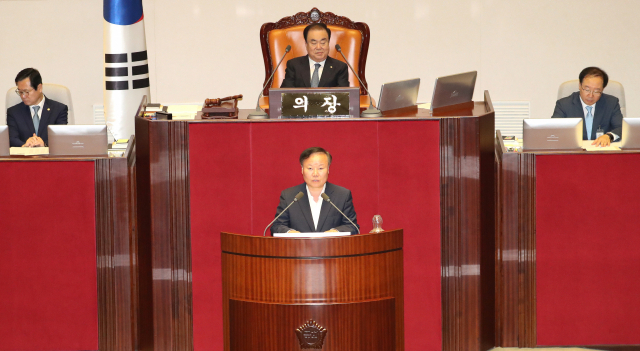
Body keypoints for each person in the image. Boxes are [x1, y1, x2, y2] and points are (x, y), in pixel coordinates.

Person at [271, 147, 359, 235]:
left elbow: (352, 226)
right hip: (298, 248)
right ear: (302, 169)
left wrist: (334, 233)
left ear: (328, 169)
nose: (315, 174)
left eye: (320, 168)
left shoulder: (342, 195)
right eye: (310, 168)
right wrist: (292, 234)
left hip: (332, 247)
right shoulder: (289, 196)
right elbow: (277, 226)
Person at [552, 66, 622, 147]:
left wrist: (609, 136)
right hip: (575, 152)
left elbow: (622, 128)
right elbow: (554, 130)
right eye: (587, 89)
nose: (590, 95)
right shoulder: (564, 104)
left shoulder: (611, 103)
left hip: (601, 151)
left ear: (602, 89)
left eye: (596, 91)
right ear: (580, 85)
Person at [6, 68, 68, 147]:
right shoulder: (13, 112)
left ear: (39, 88)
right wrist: (24, 145)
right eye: (20, 92)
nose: (23, 96)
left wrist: (44, 144)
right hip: (24, 158)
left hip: (49, 158)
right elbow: (11, 139)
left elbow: (61, 137)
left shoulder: (59, 109)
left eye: (26, 92)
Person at [280, 23, 350, 88]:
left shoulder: (340, 67)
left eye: (323, 42)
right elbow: (285, 94)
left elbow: (344, 96)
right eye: (314, 43)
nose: (319, 47)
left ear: (328, 43)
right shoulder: (294, 65)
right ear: (306, 45)